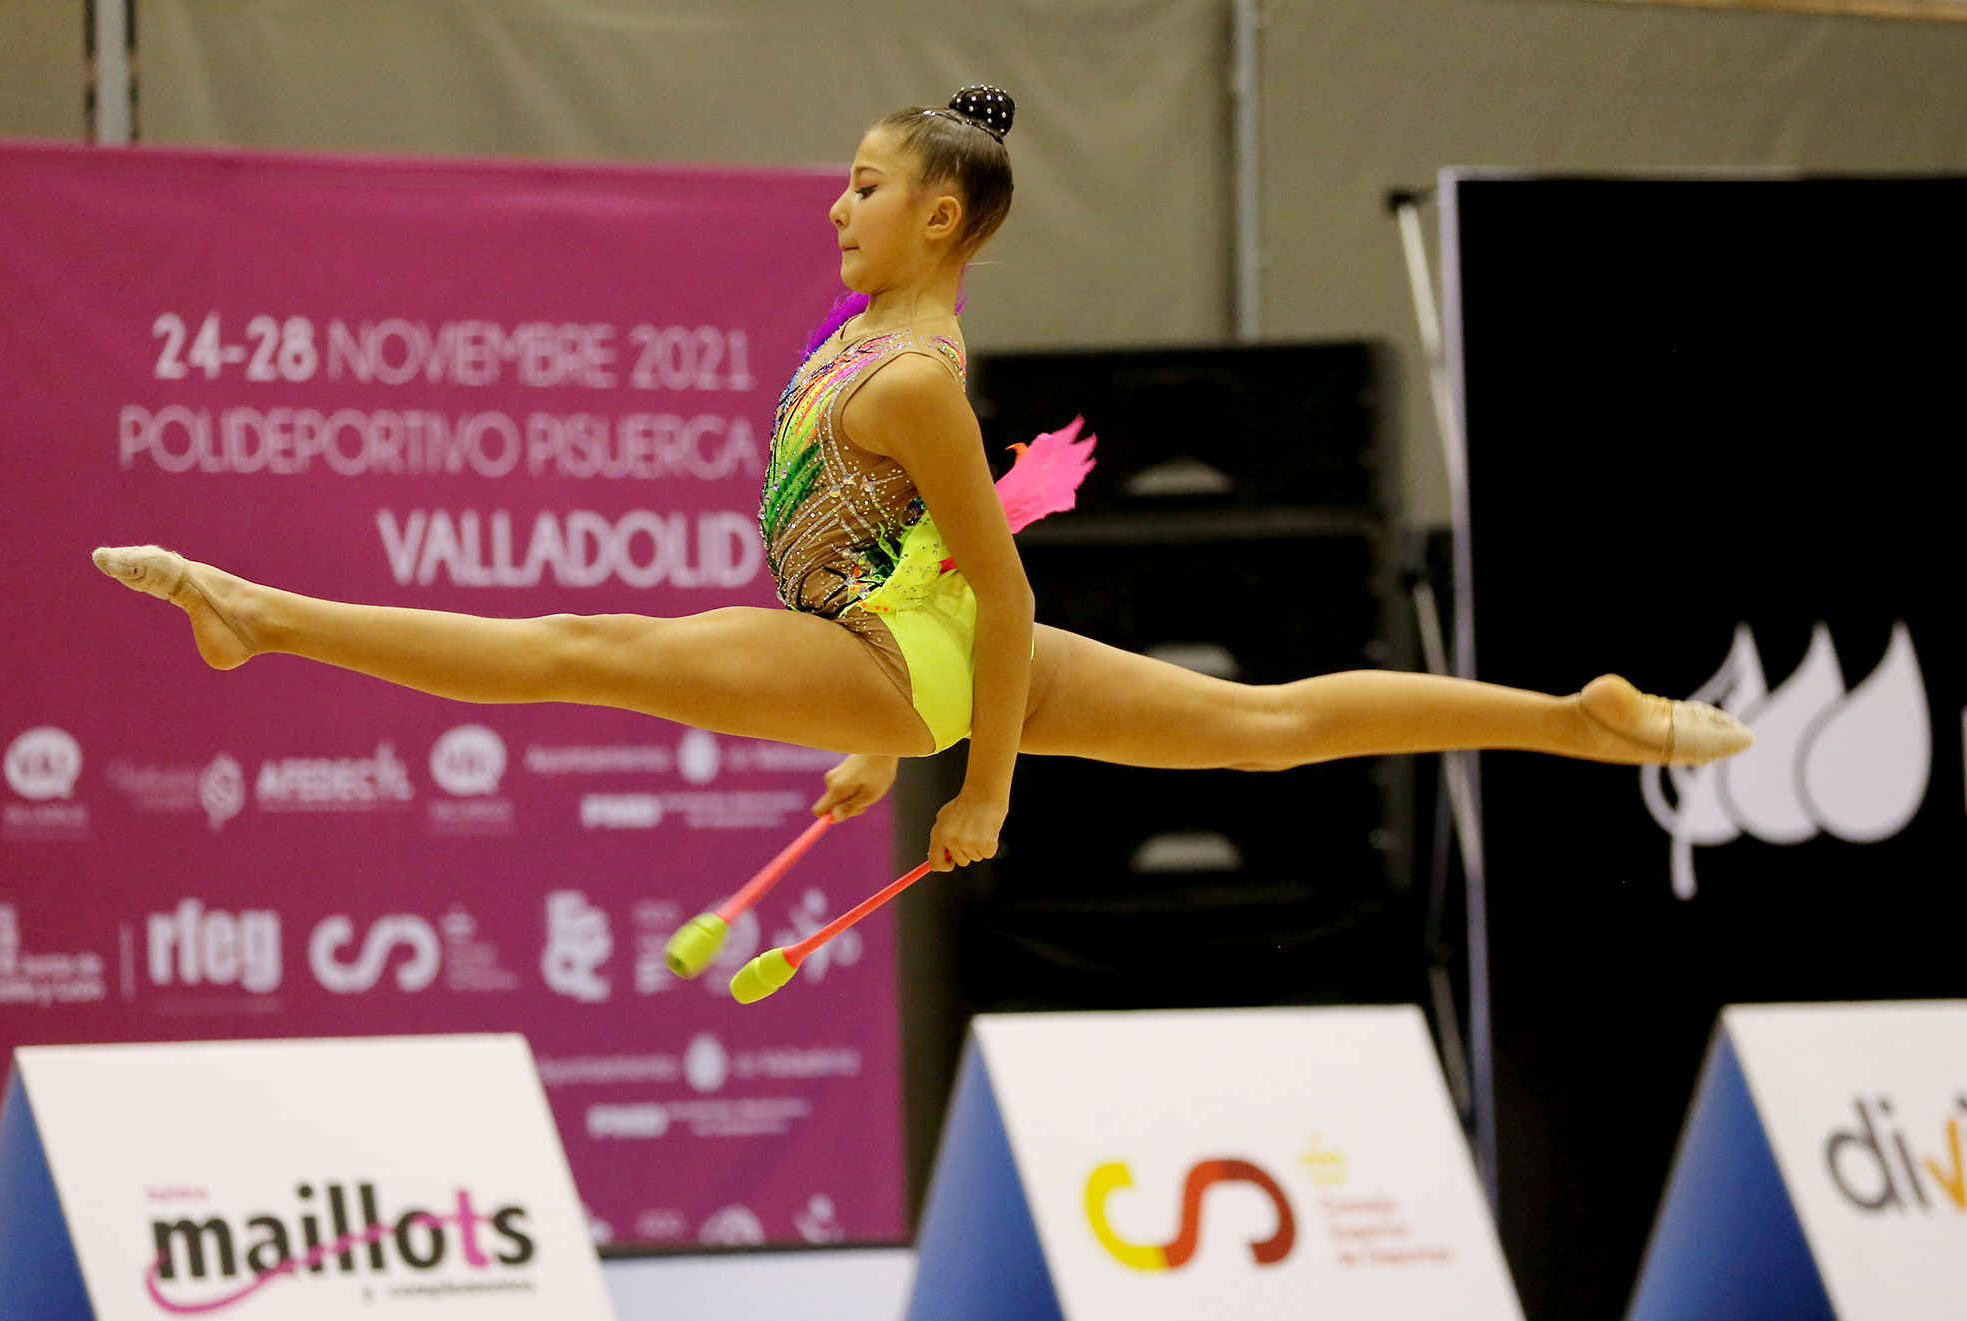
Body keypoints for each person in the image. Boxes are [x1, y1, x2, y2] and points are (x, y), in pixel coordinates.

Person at [94, 85, 1750, 876]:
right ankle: (1576, 717)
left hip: (925, 652)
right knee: (1265, 728)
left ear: (941, 217)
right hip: (901, 647)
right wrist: (873, 742)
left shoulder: (910, 377)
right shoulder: (868, 343)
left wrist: (978, 783)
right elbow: (935, 585)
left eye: (868, 186)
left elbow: (1010, 593)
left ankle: (257, 613)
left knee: (573, 649)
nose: (840, 205)